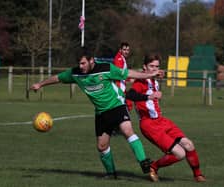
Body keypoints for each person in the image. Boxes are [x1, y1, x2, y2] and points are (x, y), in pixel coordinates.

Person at [30, 48, 163, 179]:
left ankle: (143, 161)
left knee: (127, 130)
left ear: (91, 60)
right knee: (102, 146)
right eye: (79, 63)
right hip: (101, 113)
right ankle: (111, 174)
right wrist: (40, 84)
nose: (81, 66)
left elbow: (128, 73)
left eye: (83, 63)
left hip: (117, 105)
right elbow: (58, 78)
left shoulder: (106, 68)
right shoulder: (76, 73)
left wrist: (149, 75)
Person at [128, 53, 206, 182]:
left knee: (189, 145)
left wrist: (159, 75)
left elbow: (157, 76)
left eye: (156, 66)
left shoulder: (154, 79)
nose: (154, 69)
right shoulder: (140, 81)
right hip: (149, 125)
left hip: (161, 121)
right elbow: (130, 95)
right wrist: (149, 97)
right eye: (151, 66)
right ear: (144, 67)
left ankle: (198, 175)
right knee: (180, 154)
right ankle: (153, 166)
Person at [113, 42, 133, 110]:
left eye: (128, 50)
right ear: (120, 50)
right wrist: (130, 79)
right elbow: (120, 73)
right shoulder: (119, 59)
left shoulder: (122, 58)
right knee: (125, 108)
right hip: (119, 88)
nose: (126, 52)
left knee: (128, 106)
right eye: (124, 50)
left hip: (121, 87)